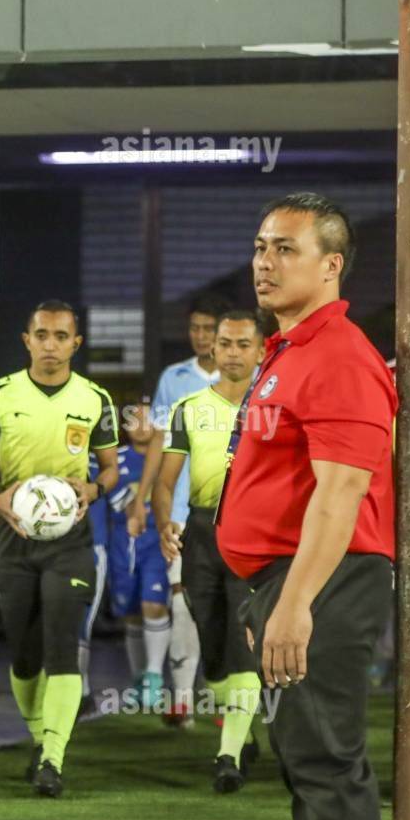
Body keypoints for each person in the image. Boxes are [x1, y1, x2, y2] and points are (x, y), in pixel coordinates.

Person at [218, 193, 396, 820]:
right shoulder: (287, 349)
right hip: (286, 579)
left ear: (331, 265)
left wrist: (293, 604)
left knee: (327, 759)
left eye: (285, 248)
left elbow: (342, 492)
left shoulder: (339, 356)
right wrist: (267, 596)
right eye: (261, 246)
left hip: (326, 579)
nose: (265, 262)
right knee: (302, 757)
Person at [0, 300, 119, 798]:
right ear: (27, 340)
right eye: (42, 335)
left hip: (70, 542)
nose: (51, 344)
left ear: (76, 343)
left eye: (61, 336)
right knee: (25, 656)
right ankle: (38, 737)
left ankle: (53, 758)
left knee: (62, 645)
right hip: (14, 538)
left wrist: (93, 489)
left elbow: (111, 468)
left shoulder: (95, 399)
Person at [152, 309, 267, 793]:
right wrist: (164, 523)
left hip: (254, 535)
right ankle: (243, 732)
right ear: (213, 349)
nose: (233, 353)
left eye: (243, 344)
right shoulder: (188, 408)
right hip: (201, 533)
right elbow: (165, 481)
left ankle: (228, 756)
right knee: (213, 647)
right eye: (225, 344)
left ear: (260, 351)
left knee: (243, 646)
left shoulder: (275, 409)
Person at [128, 296, 227, 726]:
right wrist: (143, 498)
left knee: (229, 605)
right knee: (182, 599)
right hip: (185, 510)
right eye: (195, 329)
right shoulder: (174, 377)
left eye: (210, 329)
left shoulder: (250, 376)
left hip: (236, 512)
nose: (201, 337)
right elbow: (160, 440)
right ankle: (183, 699)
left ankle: (225, 698)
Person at [100, 404, 170, 711]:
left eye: (147, 419)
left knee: (153, 605)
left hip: (157, 540)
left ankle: (155, 675)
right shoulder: (114, 460)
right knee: (130, 613)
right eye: (133, 420)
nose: (141, 425)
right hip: (124, 543)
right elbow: (115, 498)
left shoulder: (168, 458)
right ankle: (139, 678)